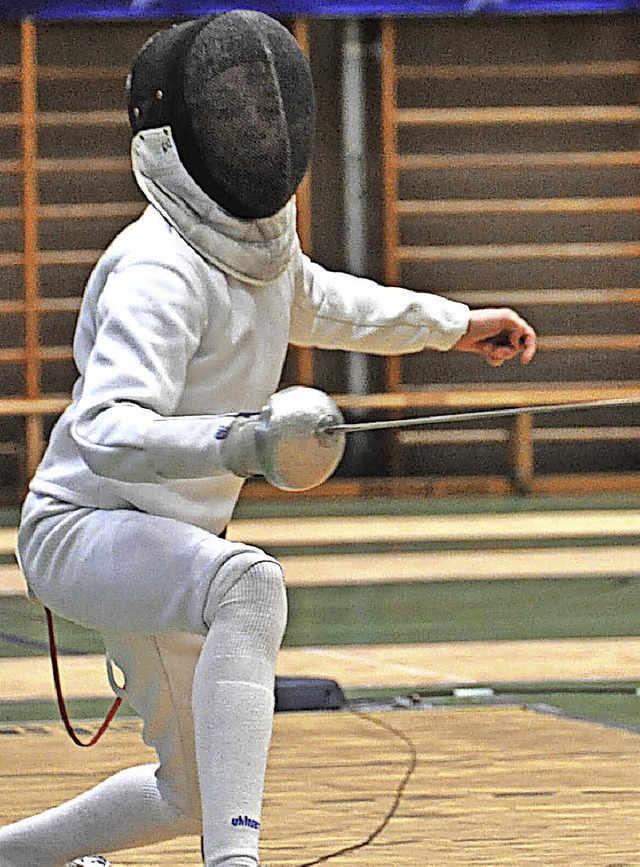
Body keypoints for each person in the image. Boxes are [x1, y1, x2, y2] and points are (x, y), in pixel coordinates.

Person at [0, 11, 536, 867]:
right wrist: (243, 442)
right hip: (83, 526)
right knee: (250, 587)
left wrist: (457, 325)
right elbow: (104, 431)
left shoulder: (262, 256)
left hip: (170, 543)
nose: (256, 128)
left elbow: (339, 304)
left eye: (264, 107)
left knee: (191, 795)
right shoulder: (157, 270)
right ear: (182, 136)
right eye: (232, 110)